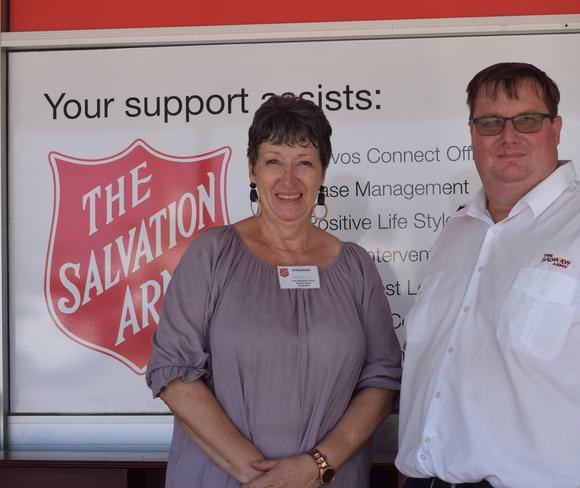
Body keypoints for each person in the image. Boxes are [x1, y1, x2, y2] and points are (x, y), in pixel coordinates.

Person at [395, 62, 580, 488]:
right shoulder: (456, 233)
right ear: (472, 133)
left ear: (556, 128)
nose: (508, 136)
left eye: (528, 120)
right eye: (491, 122)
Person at [146, 94, 401, 488]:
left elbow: (382, 379)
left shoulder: (356, 265)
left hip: (329, 478)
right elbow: (173, 374)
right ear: (251, 170)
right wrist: (261, 477)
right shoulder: (212, 253)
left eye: (304, 162)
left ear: (322, 173)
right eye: (273, 161)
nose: (288, 179)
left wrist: (314, 467)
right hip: (225, 479)